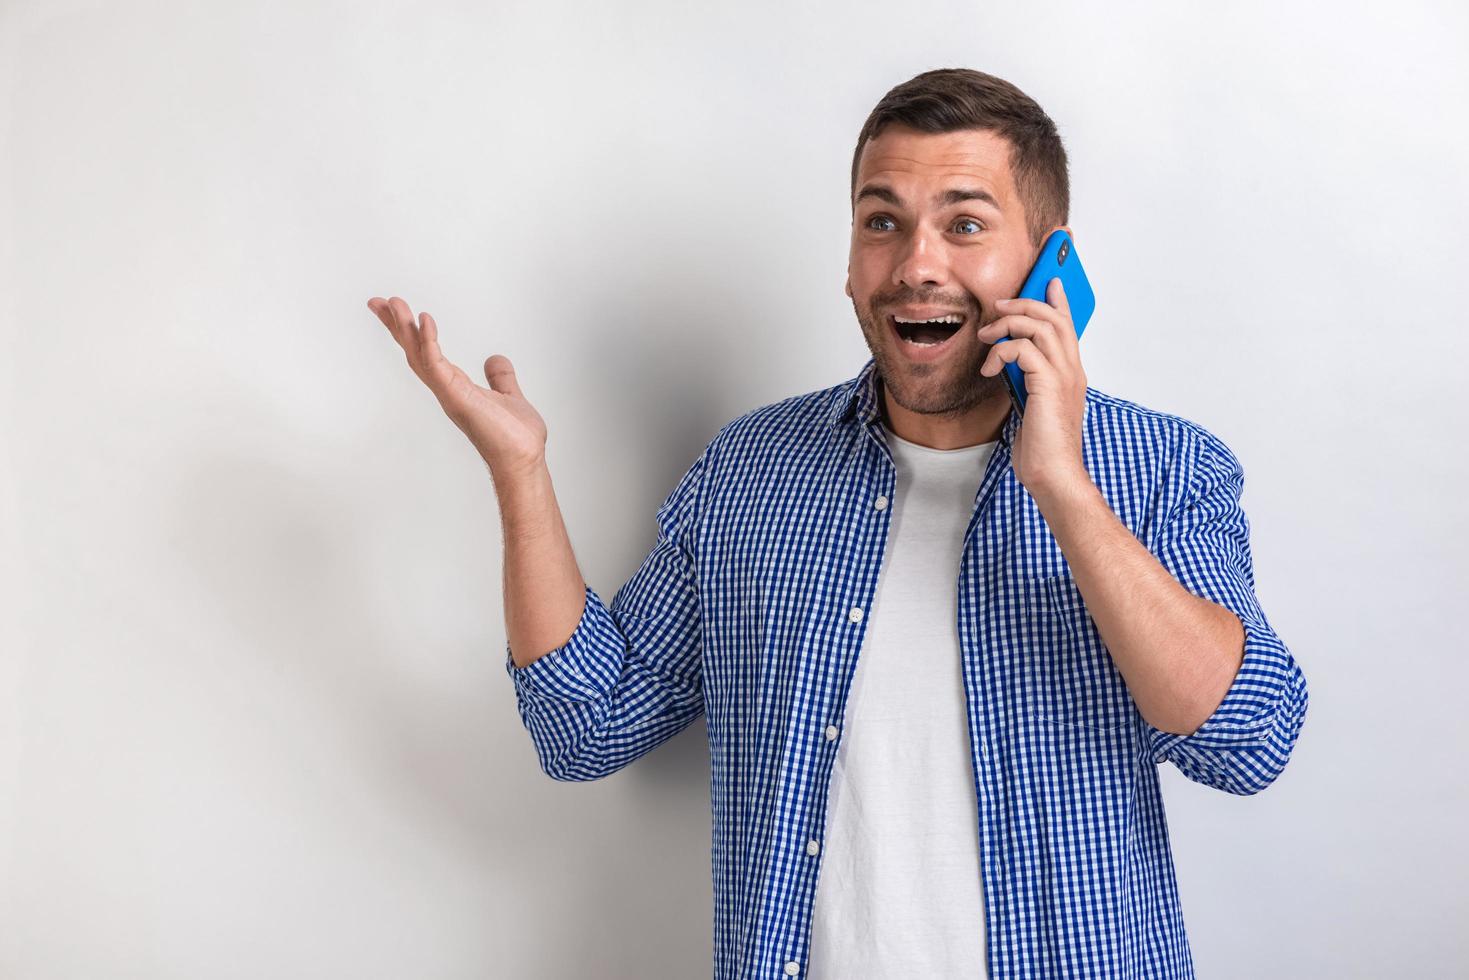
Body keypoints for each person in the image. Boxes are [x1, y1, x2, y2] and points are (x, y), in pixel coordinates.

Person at [367, 67, 1309, 980]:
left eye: (965, 224)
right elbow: (585, 728)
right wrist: (521, 473)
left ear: (1048, 263)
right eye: (881, 223)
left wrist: (1061, 485)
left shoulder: (1161, 470)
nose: (916, 265)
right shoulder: (752, 472)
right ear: (851, 263)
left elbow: (1249, 741)